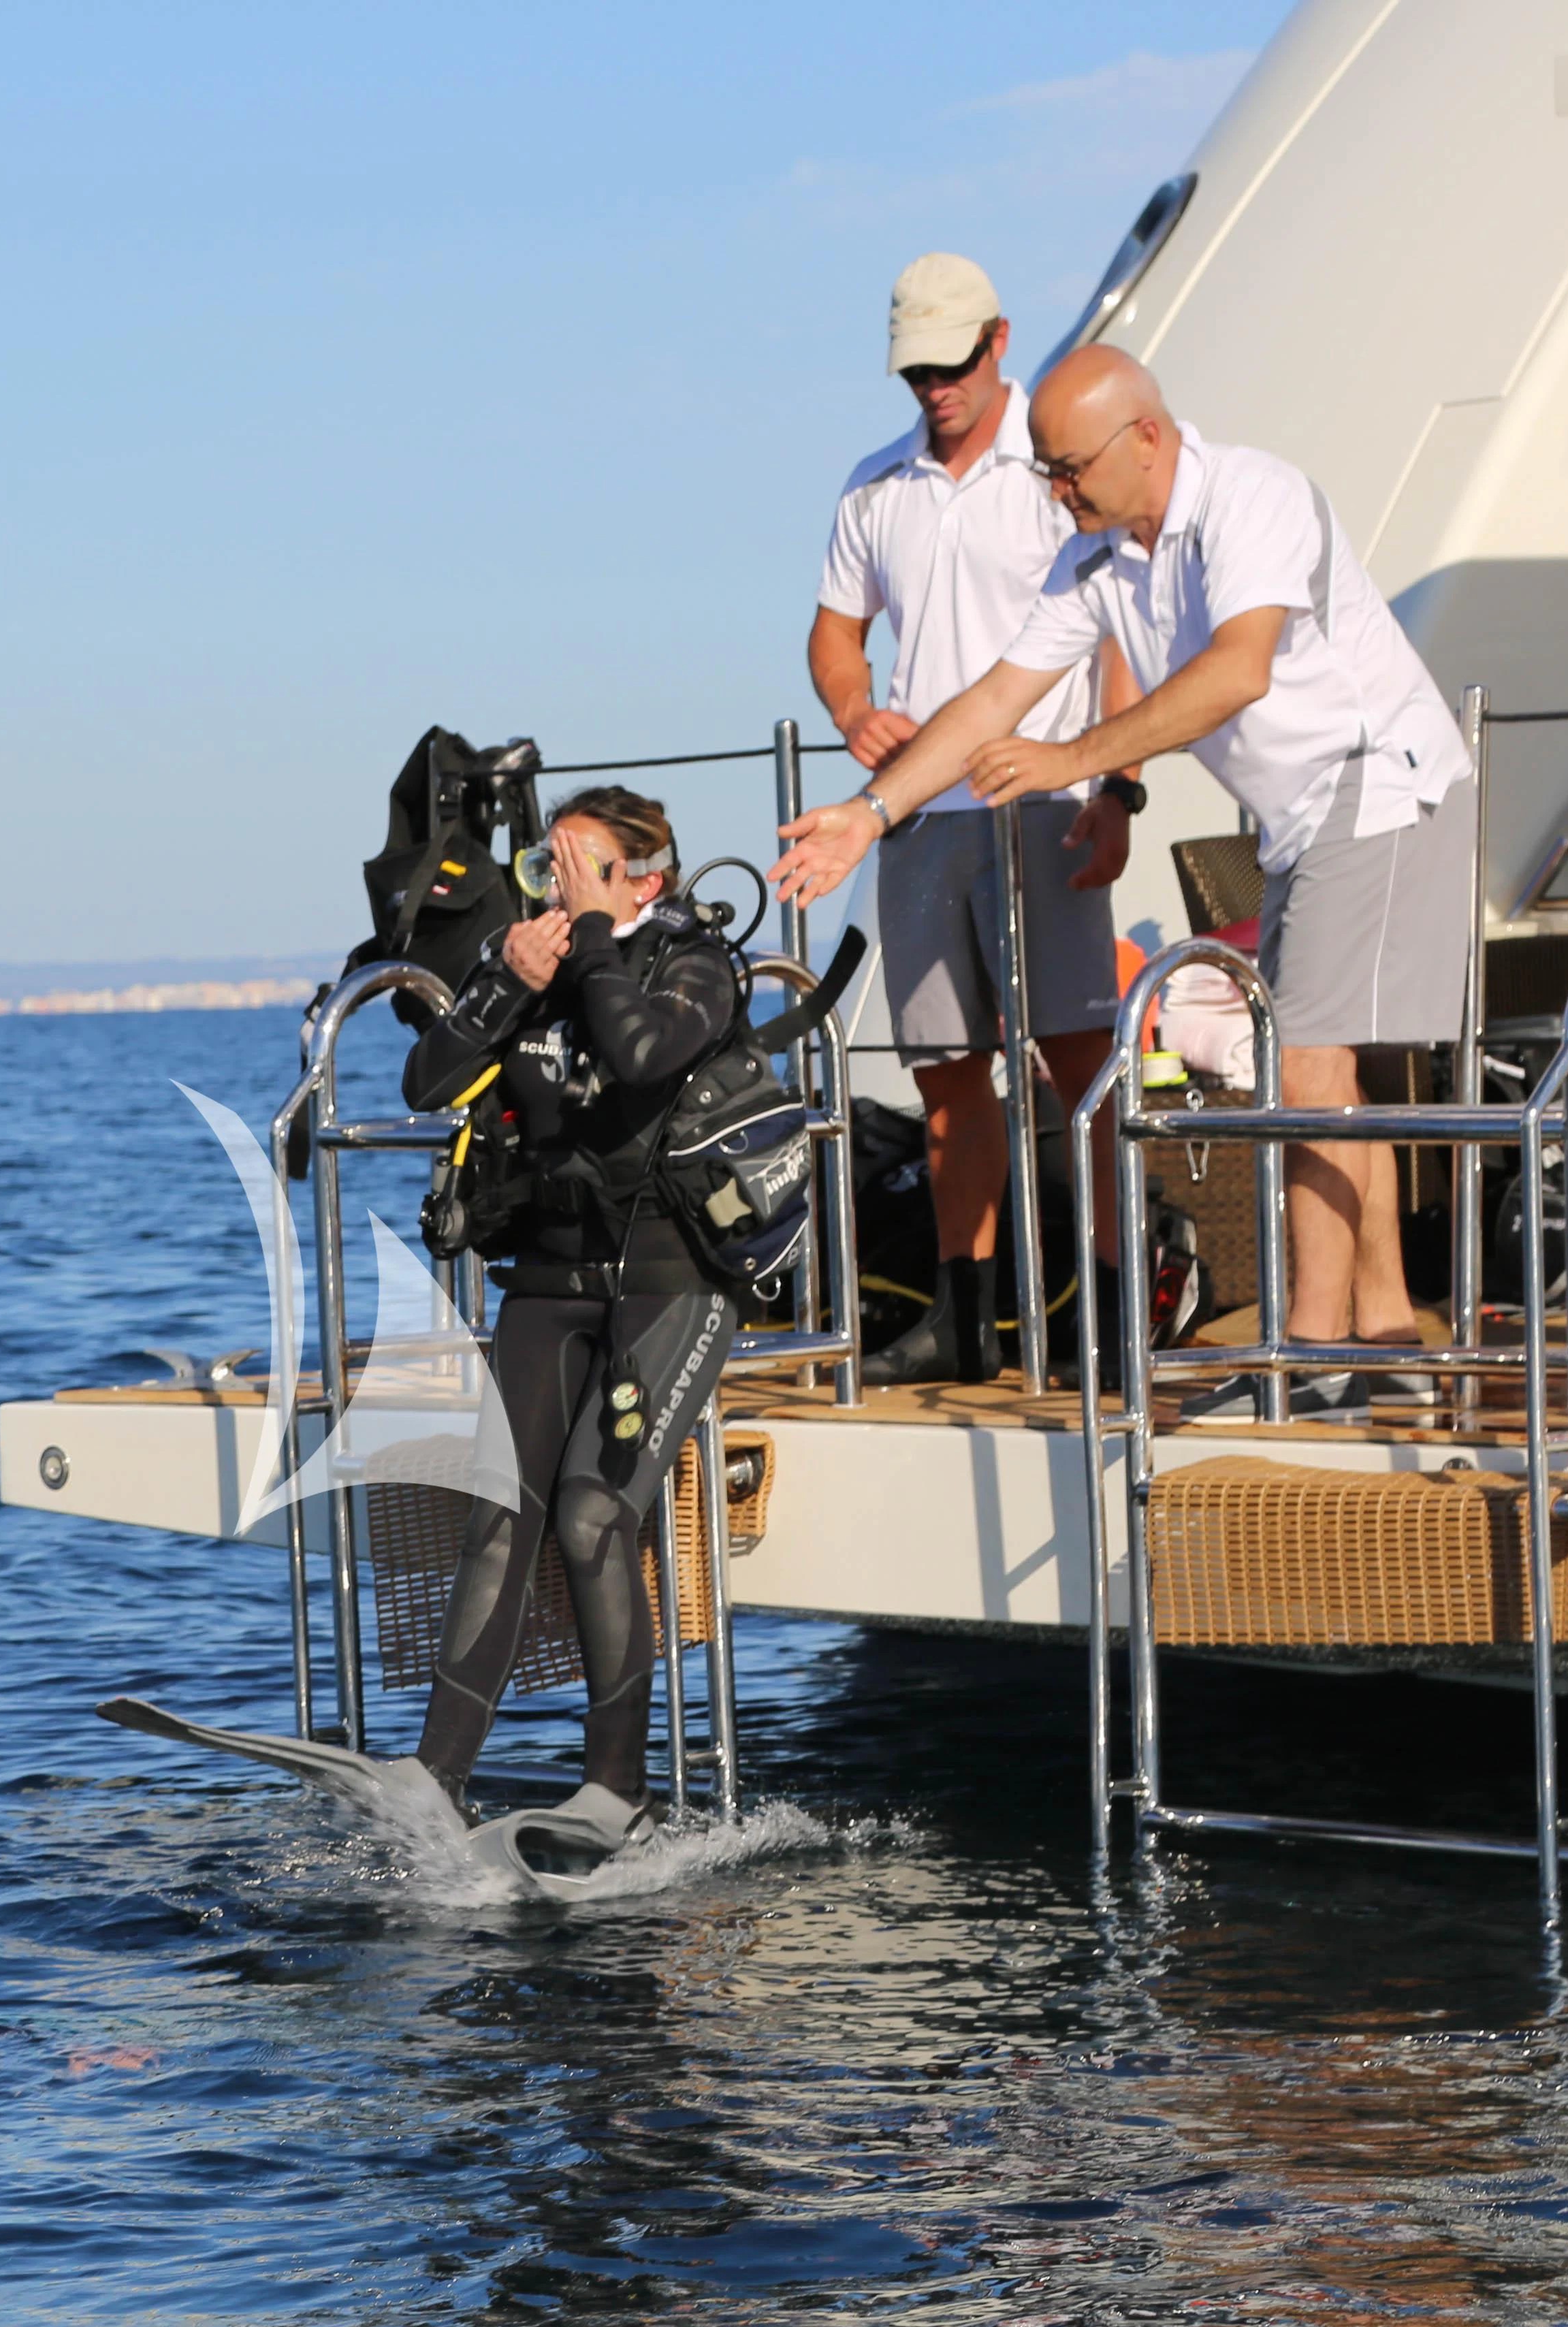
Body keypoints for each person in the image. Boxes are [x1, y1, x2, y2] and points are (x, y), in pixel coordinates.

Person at [777, 343, 1473, 1418]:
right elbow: (993, 698)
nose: (1055, 491)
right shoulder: (1096, 556)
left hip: (1378, 784)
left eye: (1067, 469)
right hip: (1303, 820)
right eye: (1048, 470)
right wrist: (869, 818)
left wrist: (1076, 760)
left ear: (1144, 438)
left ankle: (1306, 1358)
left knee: (1310, 1078)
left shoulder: (1254, 497)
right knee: (1326, 1076)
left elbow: (1236, 670)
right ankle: (1384, 1333)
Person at [810, 253, 1140, 1383]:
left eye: (952, 364)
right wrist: (857, 710)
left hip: (1043, 797)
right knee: (946, 1071)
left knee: (1079, 1063)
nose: (935, 388)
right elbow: (834, 634)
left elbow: (1116, 638)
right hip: (921, 818)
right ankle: (964, 1319)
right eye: (916, 372)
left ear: (998, 341)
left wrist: (1116, 792)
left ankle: (1109, 1314)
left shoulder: (1051, 476)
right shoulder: (872, 487)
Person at [398, 787, 737, 1846]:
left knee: (595, 1516)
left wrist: (590, 943)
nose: (559, 887)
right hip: (548, 1281)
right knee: (502, 1513)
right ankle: (436, 1775)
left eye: (583, 867)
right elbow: (427, 1080)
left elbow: (640, 1055)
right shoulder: (542, 964)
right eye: (551, 866)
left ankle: (618, 1793)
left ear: (647, 876)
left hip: (671, 1285)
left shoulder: (692, 962)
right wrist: (504, 982)